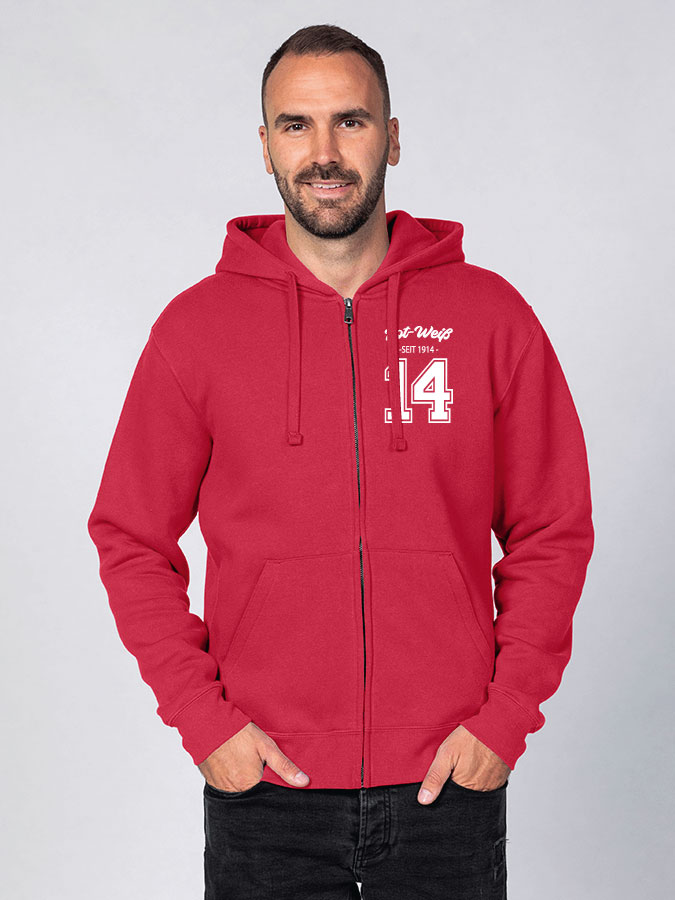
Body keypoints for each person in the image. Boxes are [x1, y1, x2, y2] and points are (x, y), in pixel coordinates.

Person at [87, 23, 595, 900]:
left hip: (447, 785)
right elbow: (130, 537)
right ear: (265, 146)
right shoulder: (195, 331)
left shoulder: (489, 317)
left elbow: (552, 528)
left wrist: (504, 720)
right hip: (264, 789)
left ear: (392, 137)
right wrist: (205, 723)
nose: (323, 152)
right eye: (296, 125)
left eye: (350, 121)